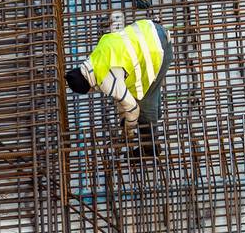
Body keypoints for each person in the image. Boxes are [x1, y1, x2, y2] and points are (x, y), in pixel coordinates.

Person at [64, 19, 173, 149]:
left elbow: (132, 107)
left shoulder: (105, 79)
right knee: (149, 88)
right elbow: (121, 92)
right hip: (152, 30)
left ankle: (151, 148)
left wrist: (128, 130)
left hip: (157, 51)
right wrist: (124, 118)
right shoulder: (97, 57)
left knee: (143, 106)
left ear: (88, 88)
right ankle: (156, 114)